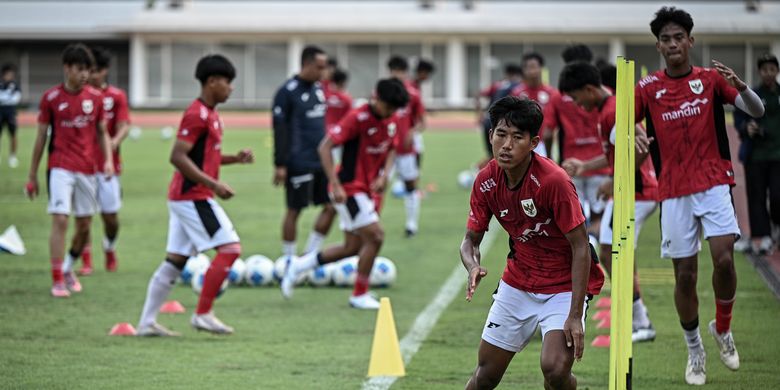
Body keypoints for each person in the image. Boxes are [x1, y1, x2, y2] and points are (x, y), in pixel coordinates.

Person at [635, 7, 765, 385]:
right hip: (673, 191)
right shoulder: (646, 88)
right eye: (666, 39)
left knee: (724, 261)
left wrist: (741, 87)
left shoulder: (710, 80)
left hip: (713, 183)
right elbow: (616, 129)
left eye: (679, 37)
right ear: (658, 46)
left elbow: (756, 110)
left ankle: (722, 329)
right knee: (686, 275)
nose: (673, 44)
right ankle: (695, 350)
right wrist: (632, 134)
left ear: (690, 41)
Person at [461, 96, 604, 390]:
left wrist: (575, 315)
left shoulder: (554, 181)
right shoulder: (485, 181)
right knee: (485, 375)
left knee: (554, 369)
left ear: (534, 142)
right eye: (501, 135)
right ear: (490, 136)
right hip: (518, 282)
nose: (507, 145)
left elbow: (581, 246)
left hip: (564, 286)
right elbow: (469, 241)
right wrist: (472, 265)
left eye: (517, 137)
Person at [136, 54, 254, 336]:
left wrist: (234, 159)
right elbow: (177, 157)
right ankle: (203, 314)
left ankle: (146, 323)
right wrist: (214, 185)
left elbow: (203, 157)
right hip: (192, 196)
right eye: (228, 82)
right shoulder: (196, 114)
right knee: (230, 249)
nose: (231, 88)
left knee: (175, 261)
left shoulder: (212, 114)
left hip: (186, 196)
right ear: (212, 82)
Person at [280, 78, 409, 309]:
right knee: (376, 236)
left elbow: (392, 147)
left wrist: (384, 175)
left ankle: (299, 266)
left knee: (352, 247)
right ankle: (359, 294)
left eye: (393, 110)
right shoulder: (357, 117)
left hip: (366, 190)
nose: (389, 113)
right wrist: (335, 183)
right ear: (375, 98)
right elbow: (325, 147)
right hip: (348, 189)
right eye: (387, 107)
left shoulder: (391, 119)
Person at [558, 61, 658, 343]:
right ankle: (639, 317)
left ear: (590, 89)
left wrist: (615, 181)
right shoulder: (607, 110)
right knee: (607, 252)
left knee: (614, 253)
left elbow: (642, 143)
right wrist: (585, 166)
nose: (578, 106)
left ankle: (640, 321)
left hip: (638, 193)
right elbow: (617, 153)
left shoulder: (613, 110)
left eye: (577, 98)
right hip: (628, 191)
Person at [26, 43, 113, 297]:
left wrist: (107, 160)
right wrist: (32, 175)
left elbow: (102, 132)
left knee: (84, 226)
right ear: (67, 69)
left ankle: (67, 268)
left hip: (87, 168)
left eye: (88, 69)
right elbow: (41, 137)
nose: (85, 74)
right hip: (60, 167)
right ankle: (56, 279)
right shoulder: (51, 98)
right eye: (80, 69)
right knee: (61, 218)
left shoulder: (96, 99)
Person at [272, 45, 335, 258]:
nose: (323, 72)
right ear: (306, 64)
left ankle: (309, 255)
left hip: (321, 162)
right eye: (319, 67)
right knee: (294, 209)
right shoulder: (286, 92)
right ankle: (289, 259)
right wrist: (280, 164)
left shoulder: (319, 89)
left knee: (331, 206)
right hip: (298, 160)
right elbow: (279, 129)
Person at [542, 44, 609, 239]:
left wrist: (553, 159)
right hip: (602, 164)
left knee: (574, 221)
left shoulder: (558, 96)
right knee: (600, 221)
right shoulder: (606, 93)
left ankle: (585, 256)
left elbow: (547, 133)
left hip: (571, 164)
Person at [78, 46, 131, 275]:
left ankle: (109, 248)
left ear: (106, 71)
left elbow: (124, 124)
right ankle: (86, 260)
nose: (92, 75)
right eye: (90, 71)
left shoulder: (116, 96)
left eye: (97, 71)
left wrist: (115, 142)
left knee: (110, 218)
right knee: (85, 217)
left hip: (109, 167)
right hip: (82, 166)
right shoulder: (81, 97)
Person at [738, 53, 780, 256]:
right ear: (759, 72)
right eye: (764, 70)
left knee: (778, 197)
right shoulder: (751, 94)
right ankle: (762, 237)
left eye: (772, 69)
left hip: (778, 156)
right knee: (756, 197)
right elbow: (739, 119)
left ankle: (775, 228)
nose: (768, 73)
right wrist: (747, 127)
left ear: (777, 71)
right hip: (755, 156)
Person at [388, 55, 425, 237]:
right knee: (377, 185)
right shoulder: (382, 92)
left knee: (410, 185)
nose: (397, 74)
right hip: (385, 151)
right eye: (394, 71)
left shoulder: (413, 94)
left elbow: (421, 122)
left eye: (400, 71)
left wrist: (412, 132)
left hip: (405, 150)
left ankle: (411, 225)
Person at [511, 52, 560, 157]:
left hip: (544, 143)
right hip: (523, 142)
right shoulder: (517, 93)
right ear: (523, 70)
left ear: (541, 68)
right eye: (528, 68)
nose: (532, 71)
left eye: (534, 67)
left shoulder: (552, 93)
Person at [476, 63, 523, 160]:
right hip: (505, 123)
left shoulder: (497, 85)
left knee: (492, 153)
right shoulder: (519, 86)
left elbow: (479, 95)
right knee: (508, 152)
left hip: (488, 121)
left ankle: (490, 172)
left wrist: (480, 114)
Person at [0, 63, 21, 168]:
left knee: (13, 135)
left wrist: (4, 99)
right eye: (8, 74)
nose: (10, 76)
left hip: (10, 113)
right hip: (0, 112)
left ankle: (12, 157)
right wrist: (7, 99)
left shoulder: (15, 85)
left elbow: (16, 98)